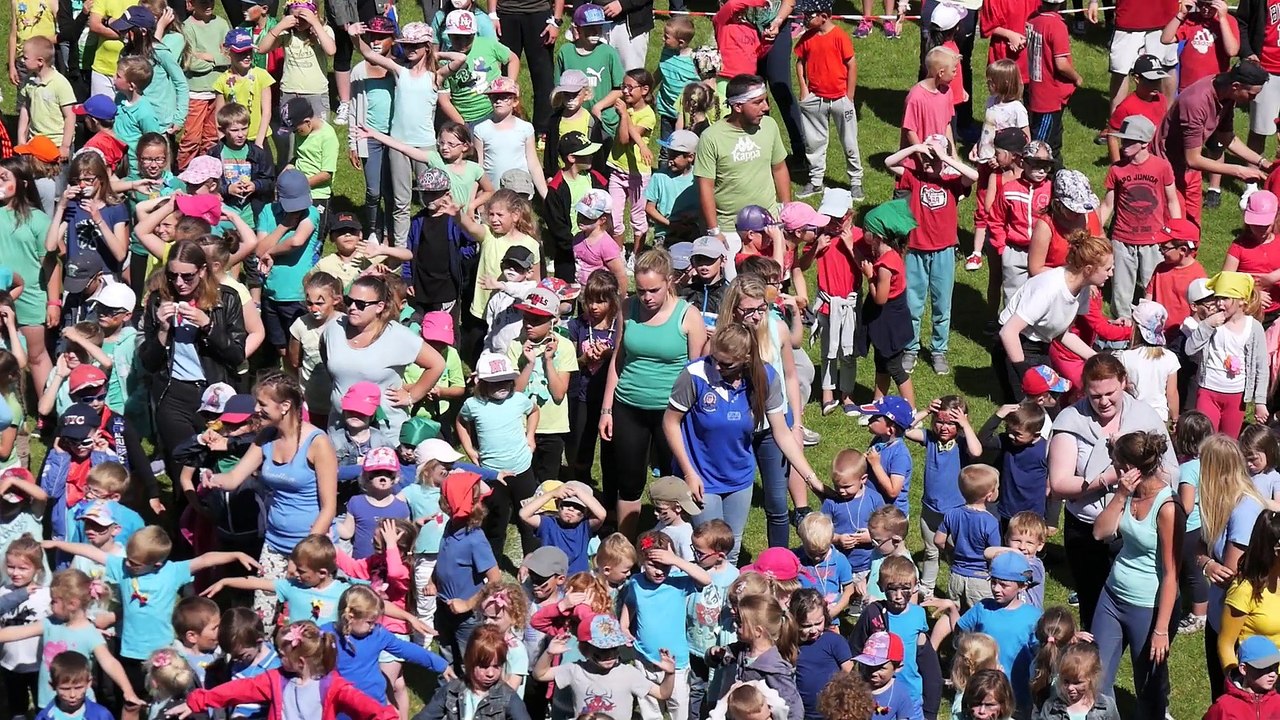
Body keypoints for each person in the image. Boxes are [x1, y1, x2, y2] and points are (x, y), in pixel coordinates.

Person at [664, 321, 821, 562]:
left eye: (726, 364)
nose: (716, 366)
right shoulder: (694, 375)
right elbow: (670, 423)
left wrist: (812, 480)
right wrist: (688, 473)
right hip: (702, 477)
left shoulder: (766, 378)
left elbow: (781, 433)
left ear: (746, 359)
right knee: (707, 550)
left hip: (740, 478)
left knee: (732, 549)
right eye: (715, 358)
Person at [1047, 353, 1178, 632]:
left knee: (1136, 606)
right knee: (1093, 606)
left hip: (1134, 530)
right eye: (1096, 396)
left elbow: (1171, 472)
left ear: (1124, 383)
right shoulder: (1071, 420)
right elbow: (1058, 485)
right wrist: (1106, 479)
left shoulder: (1144, 415)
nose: (1104, 401)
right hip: (1086, 530)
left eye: (1110, 393)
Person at [201, 372, 338, 617]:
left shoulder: (318, 443)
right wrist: (214, 479)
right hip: (274, 543)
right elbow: (233, 479)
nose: (256, 408)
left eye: (262, 404)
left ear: (285, 406)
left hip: (308, 547)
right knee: (263, 617)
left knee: (306, 619)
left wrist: (303, 555)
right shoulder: (265, 437)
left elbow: (329, 508)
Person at [599, 249, 705, 537]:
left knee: (673, 483)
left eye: (654, 290)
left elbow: (696, 372)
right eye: (641, 290)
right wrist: (607, 409)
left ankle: (676, 542)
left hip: (670, 412)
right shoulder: (627, 308)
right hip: (629, 407)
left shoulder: (688, 316)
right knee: (629, 481)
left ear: (669, 282)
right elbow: (618, 360)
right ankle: (626, 544)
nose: (646, 297)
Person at [138, 240, 247, 486]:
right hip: (174, 392)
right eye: (173, 275)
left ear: (202, 271)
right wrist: (163, 330)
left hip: (214, 394)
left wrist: (208, 326)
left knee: (216, 467)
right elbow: (149, 362)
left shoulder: (226, 299)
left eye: (187, 276)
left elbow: (237, 355)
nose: (179, 283)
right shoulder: (158, 301)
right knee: (182, 471)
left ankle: (214, 521)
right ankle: (183, 520)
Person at [1090, 431, 1181, 720]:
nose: (1113, 469)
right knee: (1095, 677)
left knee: (1149, 688)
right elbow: (1100, 532)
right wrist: (1120, 494)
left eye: (1117, 464)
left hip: (1148, 607)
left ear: (1132, 468)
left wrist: (1161, 630)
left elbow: (1171, 574)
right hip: (1112, 596)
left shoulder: (1167, 508)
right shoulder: (1128, 494)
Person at [694, 74, 791, 281]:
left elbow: (780, 168)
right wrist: (714, 231)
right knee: (738, 290)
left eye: (765, 100)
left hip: (770, 226)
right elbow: (705, 187)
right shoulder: (711, 138)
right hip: (730, 230)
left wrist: (786, 210)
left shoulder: (770, 126)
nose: (765, 107)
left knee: (775, 284)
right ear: (737, 106)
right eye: (757, 102)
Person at [995, 233, 1114, 402]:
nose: (1111, 273)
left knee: (1052, 407)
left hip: (1041, 347)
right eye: (1108, 269)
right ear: (1088, 269)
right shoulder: (1049, 288)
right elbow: (1008, 332)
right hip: (1015, 348)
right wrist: (1025, 373)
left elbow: (1063, 333)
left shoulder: (1084, 288)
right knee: (1028, 413)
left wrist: (1095, 357)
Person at [1151, 61, 1271, 224]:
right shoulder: (1196, 102)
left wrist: (1263, 163)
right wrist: (1239, 171)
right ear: (1236, 86)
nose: (1253, 100)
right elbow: (1192, 158)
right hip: (1168, 168)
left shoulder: (1227, 94)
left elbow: (1227, 137)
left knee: (1193, 226)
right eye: (1251, 95)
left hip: (1190, 171)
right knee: (1174, 228)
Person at [793, 0, 860, 201]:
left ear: (823, 16)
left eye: (809, 15)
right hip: (815, 98)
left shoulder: (840, 36)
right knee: (814, 143)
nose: (804, 18)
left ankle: (856, 182)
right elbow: (800, 62)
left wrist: (849, 96)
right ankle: (815, 181)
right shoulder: (807, 37)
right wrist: (804, 89)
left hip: (840, 98)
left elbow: (851, 64)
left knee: (849, 141)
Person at [1204, 635, 1280, 720]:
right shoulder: (1224, 708)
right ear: (1243, 669)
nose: (1273, 673)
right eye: (1265, 668)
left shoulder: (1278, 704)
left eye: (1275, 667)